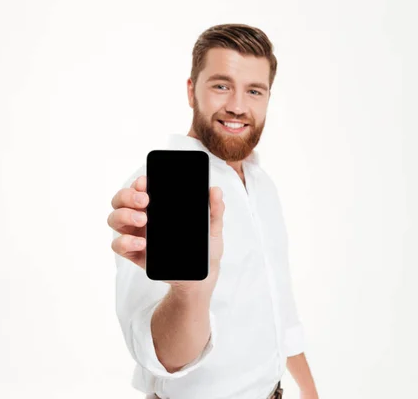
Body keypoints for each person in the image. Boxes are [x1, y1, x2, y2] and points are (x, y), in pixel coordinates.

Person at [107, 24, 319, 399]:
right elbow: (164, 359)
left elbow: (278, 305)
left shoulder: (261, 183)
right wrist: (192, 293)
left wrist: (309, 390)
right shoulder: (155, 189)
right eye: (221, 85)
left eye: (254, 91)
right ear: (192, 91)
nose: (238, 105)